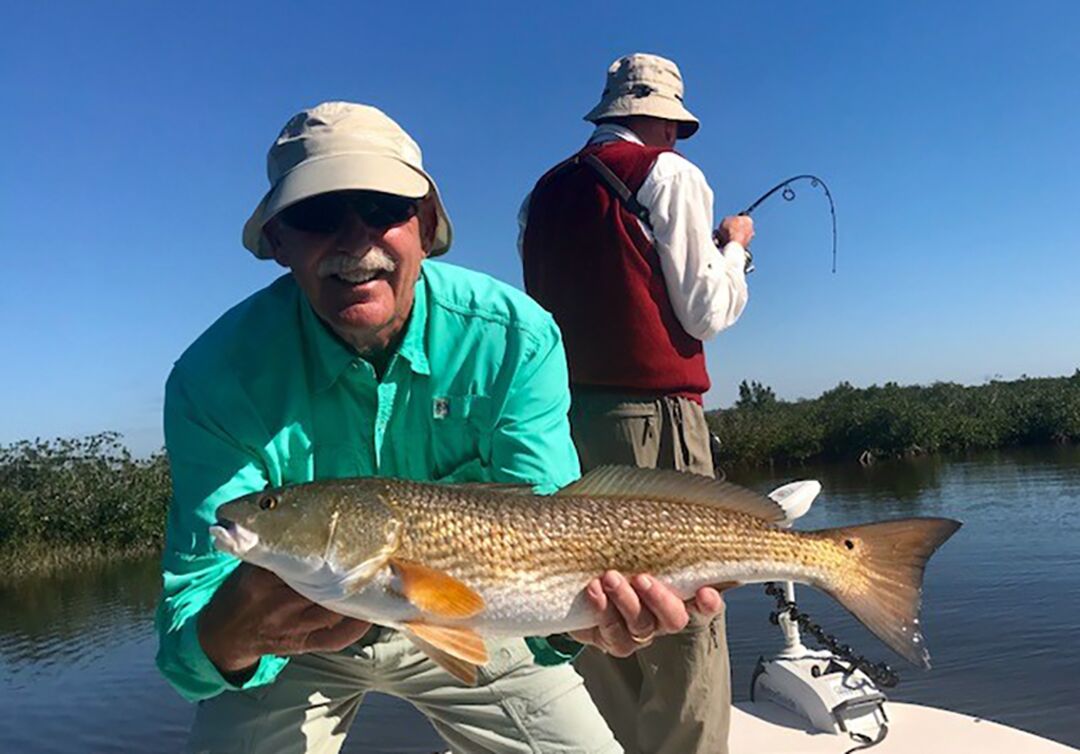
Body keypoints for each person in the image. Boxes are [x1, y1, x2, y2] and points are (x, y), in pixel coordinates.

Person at [156, 100, 724, 754]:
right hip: (292, 648)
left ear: (426, 226)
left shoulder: (513, 338)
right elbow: (187, 640)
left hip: (484, 624)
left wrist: (586, 626)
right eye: (315, 215)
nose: (352, 239)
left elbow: (556, 530)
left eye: (381, 208)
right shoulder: (214, 377)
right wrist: (232, 637)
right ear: (279, 245)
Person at [519, 54, 753, 754]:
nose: (677, 142)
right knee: (686, 612)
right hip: (656, 419)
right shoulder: (671, 174)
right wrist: (734, 251)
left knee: (595, 610)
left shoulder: (541, 194)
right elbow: (706, 309)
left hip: (563, 425)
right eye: (675, 129)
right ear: (660, 120)